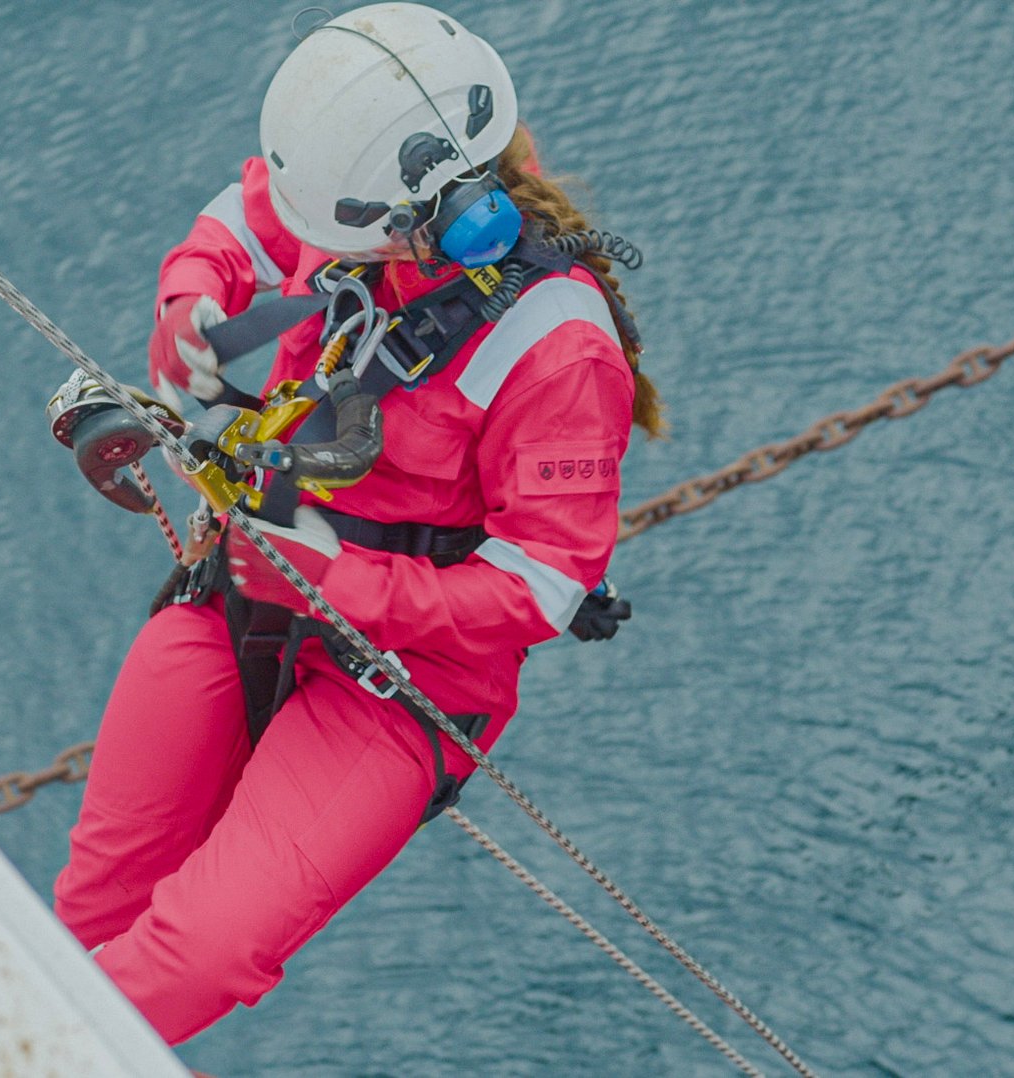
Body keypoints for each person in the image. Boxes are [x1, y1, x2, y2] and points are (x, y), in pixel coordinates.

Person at [51, 2, 663, 1044]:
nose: (315, 244)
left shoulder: (556, 348)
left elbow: (544, 585)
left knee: (198, 950)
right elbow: (244, 218)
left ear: (417, 218)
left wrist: (342, 584)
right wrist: (188, 306)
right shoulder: (359, 200)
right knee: (91, 914)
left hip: (402, 686)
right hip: (246, 593)